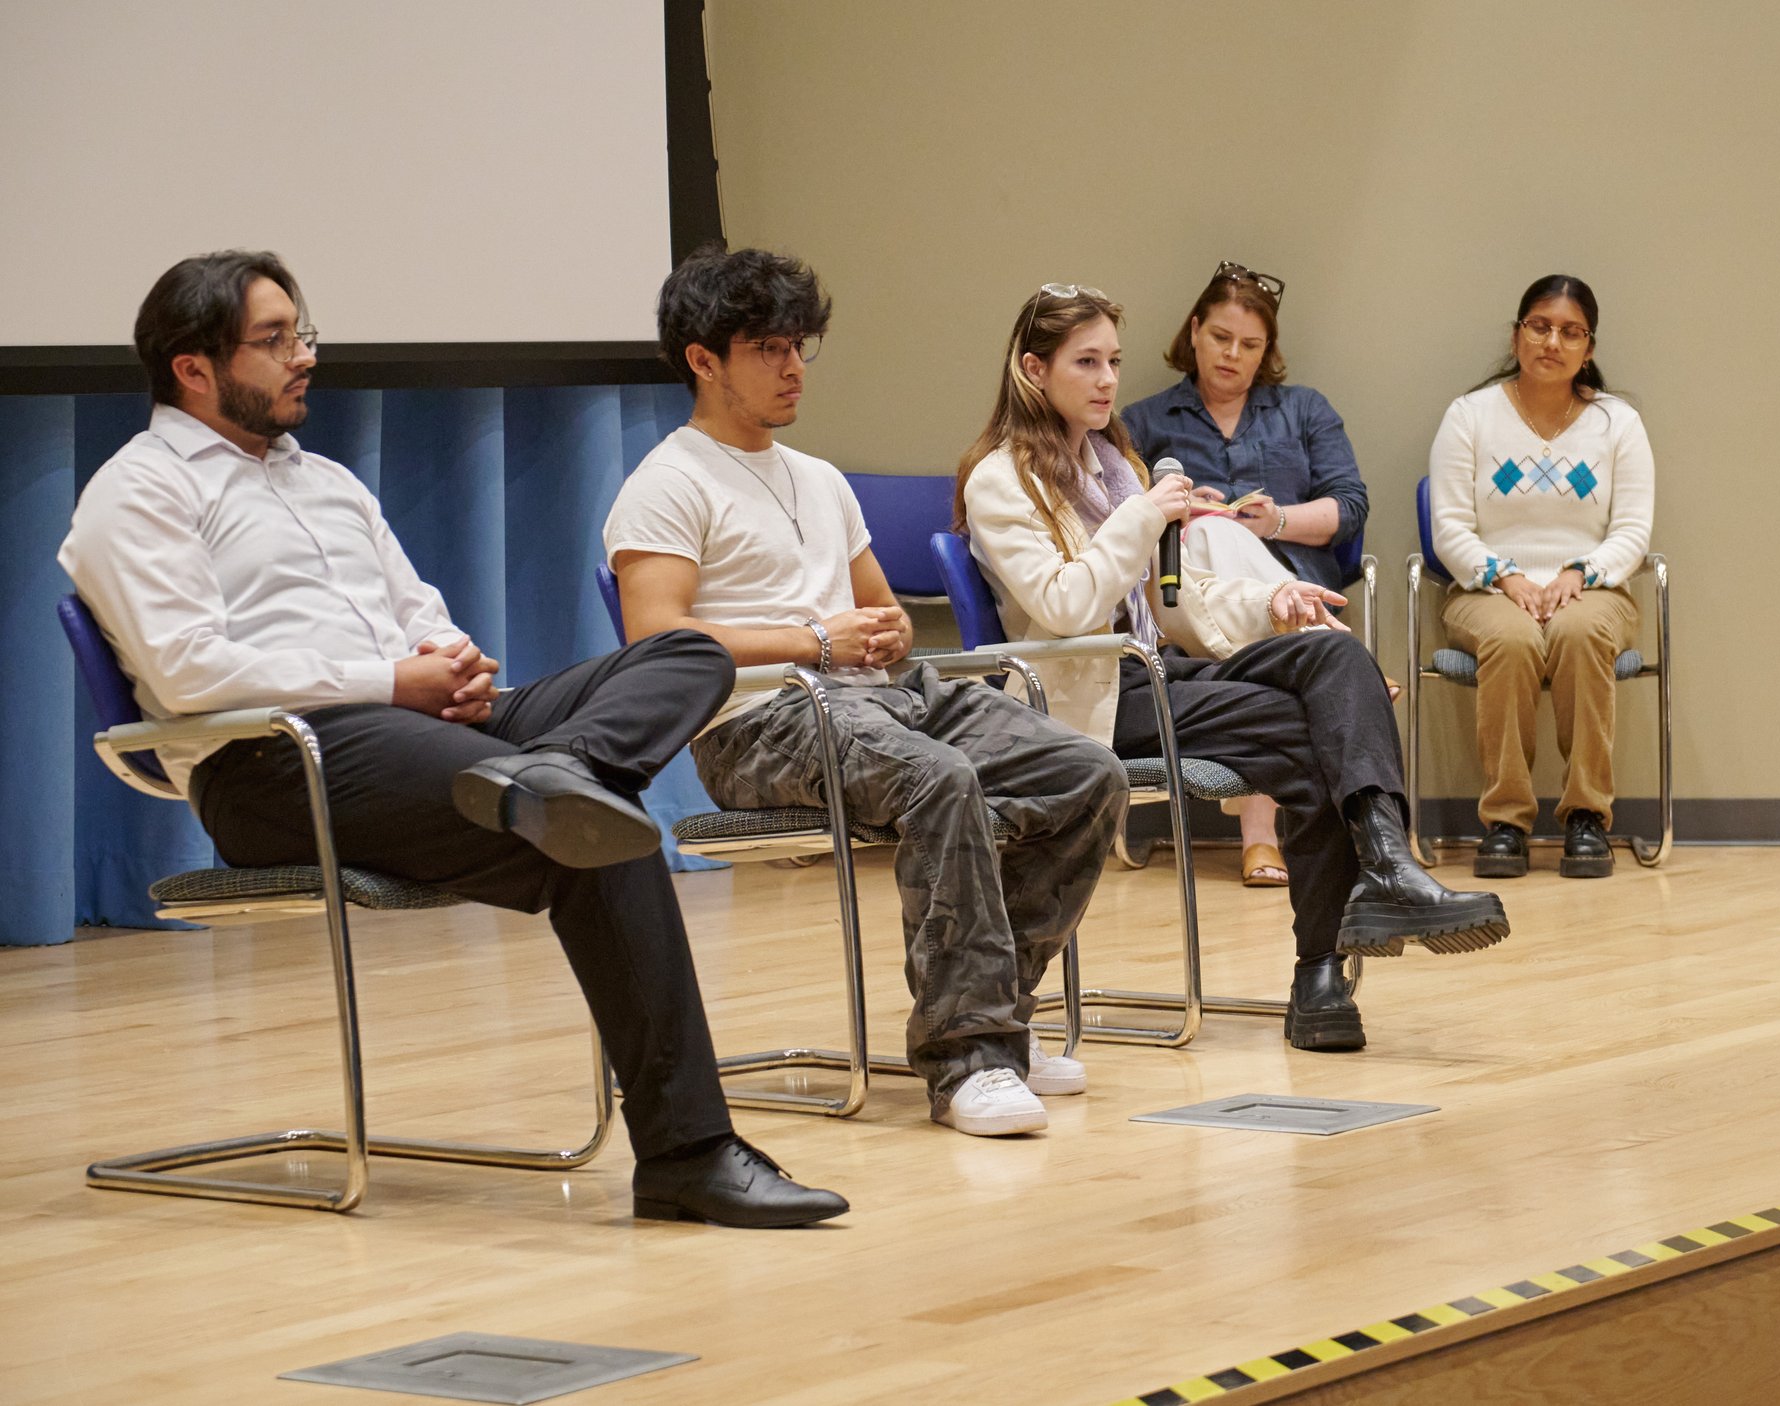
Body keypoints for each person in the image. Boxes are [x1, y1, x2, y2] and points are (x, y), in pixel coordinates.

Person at [60, 251, 845, 1228]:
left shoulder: (328, 482)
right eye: (274, 341)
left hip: (421, 731)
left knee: (685, 656)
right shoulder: (136, 493)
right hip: (271, 761)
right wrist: (394, 681)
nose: (304, 356)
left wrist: (450, 660)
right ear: (192, 368)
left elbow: (416, 607)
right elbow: (188, 673)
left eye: (303, 333)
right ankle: (688, 1150)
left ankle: (563, 770)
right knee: (594, 826)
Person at [606, 246, 1127, 1138]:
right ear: (703, 358)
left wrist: (878, 629)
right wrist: (813, 639)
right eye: (769, 348)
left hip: (885, 692)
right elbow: (656, 638)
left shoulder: (819, 478)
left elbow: (877, 608)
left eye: (800, 345)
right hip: (758, 723)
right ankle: (967, 1059)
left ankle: (996, 1011)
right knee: (939, 780)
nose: (793, 366)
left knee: (1086, 774)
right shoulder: (667, 483)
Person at [955, 285, 1509, 1053]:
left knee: (1328, 651)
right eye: (1085, 362)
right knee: (1312, 731)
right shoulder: (1001, 479)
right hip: (1078, 698)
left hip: (1144, 673)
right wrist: (1146, 514)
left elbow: (1175, 600)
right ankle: (1329, 960)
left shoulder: (1112, 466)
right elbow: (1067, 601)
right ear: (1032, 368)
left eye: (1113, 360)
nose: (1108, 380)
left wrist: (1274, 598)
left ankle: (1381, 869)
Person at [1124, 263, 1371, 890]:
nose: (1233, 355)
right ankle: (1349, 827)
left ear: (1269, 351)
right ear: (1194, 332)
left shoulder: (1304, 410)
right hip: (1192, 599)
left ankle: (1265, 840)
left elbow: (1349, 507)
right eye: (1221, 338)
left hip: (1293, 575)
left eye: (1251, 345)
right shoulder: (1146, 421)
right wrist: (1182, 507)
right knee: (1208, 534)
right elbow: (1118, 518)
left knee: (1258, 584)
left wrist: (1276, 521)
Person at [1427, 275, 1655, 880]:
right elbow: (1449, 527)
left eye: (1570, 332)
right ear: (1517, 334)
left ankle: (1586, 817)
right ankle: (1506, 821)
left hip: (1595, 591)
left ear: (1589, 347)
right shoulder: (1469, 416)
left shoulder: (1618, 424)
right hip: (1486, 591)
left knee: (1579, 634)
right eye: (1540, 326)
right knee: (1514, 637)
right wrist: (1504, 577)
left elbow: (1632, 530)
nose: (1552, 341)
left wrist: (1582, 571)